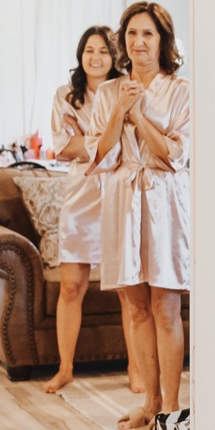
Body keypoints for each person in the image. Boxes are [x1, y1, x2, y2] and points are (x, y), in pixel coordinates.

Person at [90, 2, 190, 430]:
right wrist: (119, 110)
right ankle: (149, 402)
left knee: (165, 306)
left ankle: (171, 409)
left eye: (148, 33)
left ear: (162, 40)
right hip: (122, 198)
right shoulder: (107, 92)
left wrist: (138, 115)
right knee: (135, 307)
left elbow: (174, 155)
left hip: (165, 200)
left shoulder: (181, 91)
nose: (139, 42)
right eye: (132, 33)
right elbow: (98, 154)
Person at [43, 25, 138, 394]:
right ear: (80, 55)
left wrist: (93, 143)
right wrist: (107, 141)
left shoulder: (126, 90)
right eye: (89, 51)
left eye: (103, 51)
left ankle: (136, 369)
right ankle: (65, 368)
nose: (95, 57)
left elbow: (128, 144)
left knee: (127, 289)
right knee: (71, 285)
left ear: (114, 57)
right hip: (81, 195)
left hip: (118, 191)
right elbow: (64, 147)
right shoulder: (66, 95)